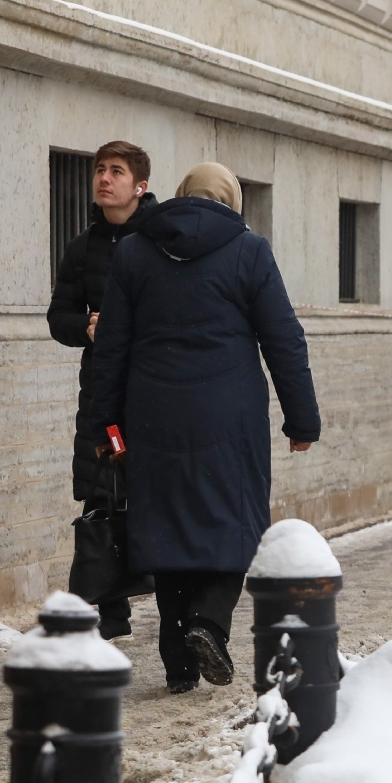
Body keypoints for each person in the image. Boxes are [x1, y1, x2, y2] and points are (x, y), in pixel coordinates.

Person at [84, 162, 320, 694]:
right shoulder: (249, 250)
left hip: (152, 416)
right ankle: (208, 624)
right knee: (234, 521)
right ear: (232, 202)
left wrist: (106, 426)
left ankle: (178, 664)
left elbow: (113, 347)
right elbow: (284, 339)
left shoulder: (134, 252)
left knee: (165, 527)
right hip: (228, 415)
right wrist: (301, 418)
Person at [47, 141, 157, 639]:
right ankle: (112, 612)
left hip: (154, 390)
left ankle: (169, 595)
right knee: (101, 487)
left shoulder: (159, 240)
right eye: (99, 170)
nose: (104, 179)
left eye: (116, 171)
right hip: (101, 395)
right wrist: (86, 328)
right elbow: (58, 317)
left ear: (140, 185)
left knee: (151, 489)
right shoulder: (83, 245)